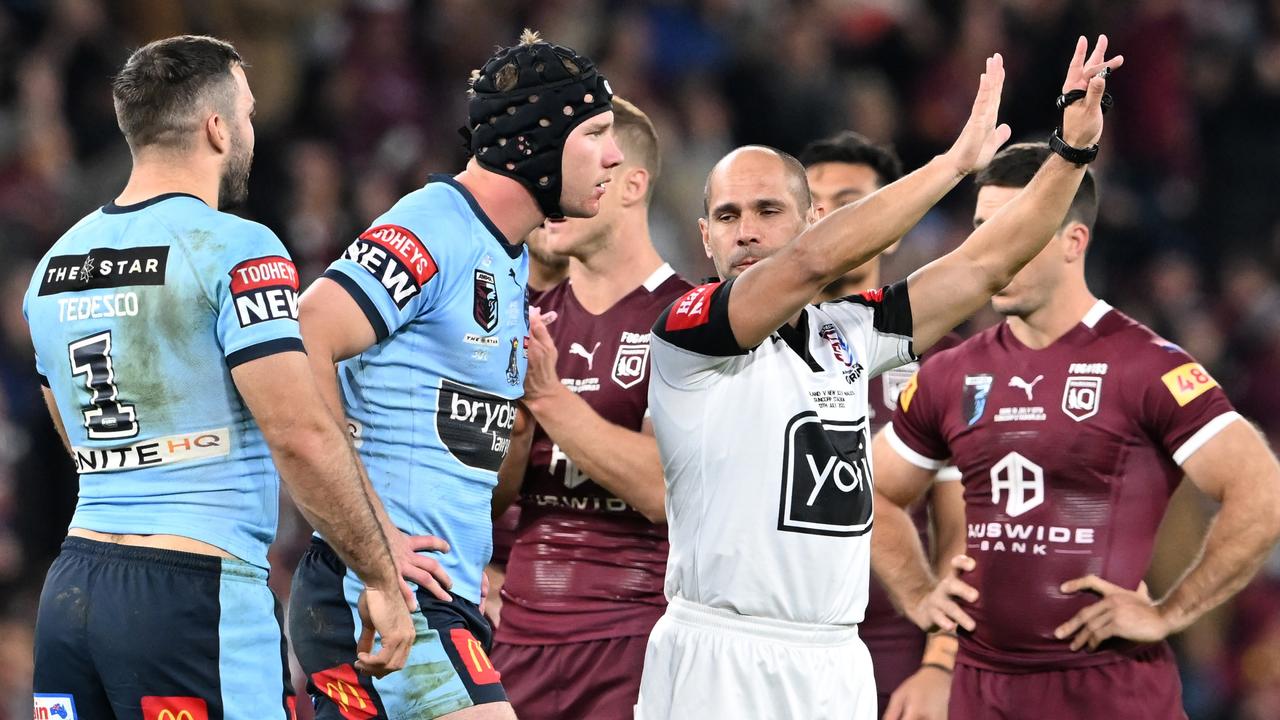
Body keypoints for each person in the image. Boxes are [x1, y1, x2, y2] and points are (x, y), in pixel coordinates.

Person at [636, 38, 1124, 719]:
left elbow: (983, 265)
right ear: (705, 236)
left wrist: (1070, 155)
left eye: (767, 211)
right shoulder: (684, 333)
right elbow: (806, 266)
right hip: (720, 654)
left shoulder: (848, 333)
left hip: (836, 659)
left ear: (810, 218)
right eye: (727, 216)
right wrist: (954, 164)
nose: (745, 231)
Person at [22, 35, 412, 720]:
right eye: (249, 116)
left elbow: (71, 426)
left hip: (74, 590)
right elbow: (300, 435)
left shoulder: (56, 263)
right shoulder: (237, 246)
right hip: (191, 591)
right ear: (216, 126)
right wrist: (379, 574)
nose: (251, 132)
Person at [871, 141, 1280, 719]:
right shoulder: (951, 373)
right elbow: (876, 492)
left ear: (1073, 241)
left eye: (1018, 228)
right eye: (984, 229)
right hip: (980, 692)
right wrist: (916, 592)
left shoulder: (1146, 365)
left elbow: (1261, 490)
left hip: (1107, 693)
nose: (994, 249)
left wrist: (1170, 612)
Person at [289, 30, 622, 720]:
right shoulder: (433, 225)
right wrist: (375, 539)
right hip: (381, 594)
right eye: (596, 133)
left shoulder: (506, 255)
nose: (614, 157)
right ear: (535, 142)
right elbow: (306, 332)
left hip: (437, 596)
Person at [486, 97, 692, 720]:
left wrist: (549, 399)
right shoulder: (526, 320)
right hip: (520, 633)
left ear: (631, 184)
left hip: (634, 634)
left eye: (572, 172)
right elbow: (493, 502)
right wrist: (518, 431)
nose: (551, 192)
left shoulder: (690, 319)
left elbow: (663, 490)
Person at [800, 131, 965, 719]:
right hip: (774, 638)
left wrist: (941, 663)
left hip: (893, 646)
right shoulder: (750, 343)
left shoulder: (940, 359)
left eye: (849, 203)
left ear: (891, 225)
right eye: (811, 202)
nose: (825, 218)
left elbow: (959, 530)